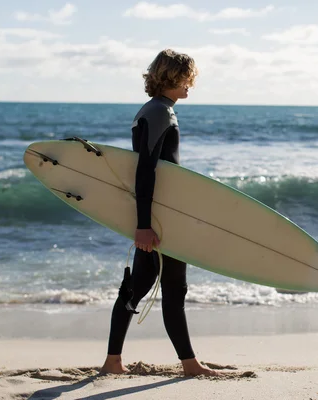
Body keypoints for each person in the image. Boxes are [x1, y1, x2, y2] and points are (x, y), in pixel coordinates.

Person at [101, 49, 219, 377]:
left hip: (159, 214)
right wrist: (143, 225)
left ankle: (113, 361)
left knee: (138, 286)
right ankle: (190, 365)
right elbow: (145, 170)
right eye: (187, 78)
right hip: (162, 219)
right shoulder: (158, 112)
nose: (190, 85)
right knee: (174, 289)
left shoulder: (158, 110)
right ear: (172, 77)